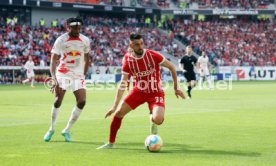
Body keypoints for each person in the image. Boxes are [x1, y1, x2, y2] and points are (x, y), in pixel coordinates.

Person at [97, 33, 185, 149]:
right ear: (131, 45)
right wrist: (114, 106)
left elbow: (172, 67)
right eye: (137, 44)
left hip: (155, 91)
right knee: (118, 113)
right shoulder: (127, 60)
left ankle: (152, 119)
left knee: (158, 120)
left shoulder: (153, 55)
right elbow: (123, 83)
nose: (140, 46)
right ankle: (110, 143)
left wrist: (176, 87)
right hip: (138, 91)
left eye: (141, 43)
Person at [43, 17, 90, 142]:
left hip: (78, 75)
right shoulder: (61, 40)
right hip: (63, 73)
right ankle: (51, 129)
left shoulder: (85, 40)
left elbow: (87, 58)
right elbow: (53, 60)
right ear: (68, 27)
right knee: (58, 100)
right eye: (75, 28)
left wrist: (83, 74)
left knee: (82, 101)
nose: (77, 30)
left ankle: (67, 130)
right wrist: (54, 78)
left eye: (79, 28)